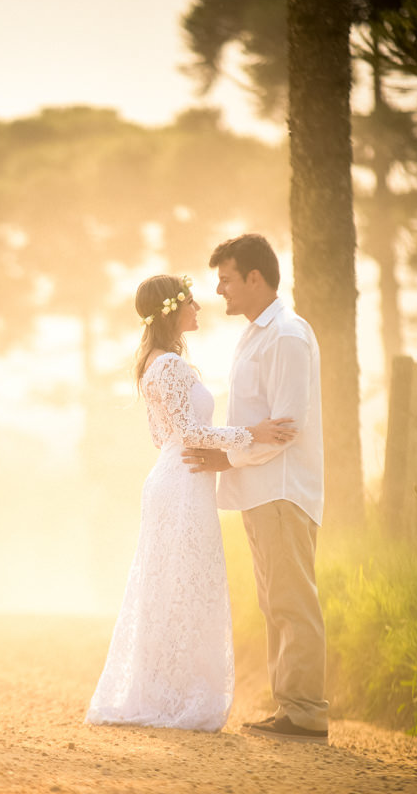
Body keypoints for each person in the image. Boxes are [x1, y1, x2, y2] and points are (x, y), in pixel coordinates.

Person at [86, 273, 295, 732]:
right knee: (184, 584)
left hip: (173, 477)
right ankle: (176, 697)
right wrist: (252, 435)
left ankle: (165, 691)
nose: (199, 309)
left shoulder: (153, 364)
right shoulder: (172, 368)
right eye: (192, 303)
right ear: (173, 311)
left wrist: (210, 450)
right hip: (183, 483)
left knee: (171, 585)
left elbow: (161, 437)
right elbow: (188, 434)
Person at [182, 234, 329, 744]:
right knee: (274, 602)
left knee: (291, 601)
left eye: (225, 279)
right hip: (259, 490)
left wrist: (225, 457)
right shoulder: (256, 333)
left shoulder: (286, 335)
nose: (219, 289)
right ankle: (291, 707)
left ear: (254, 278)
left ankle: (307, 711)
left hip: (281, 491)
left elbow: (285, 426)